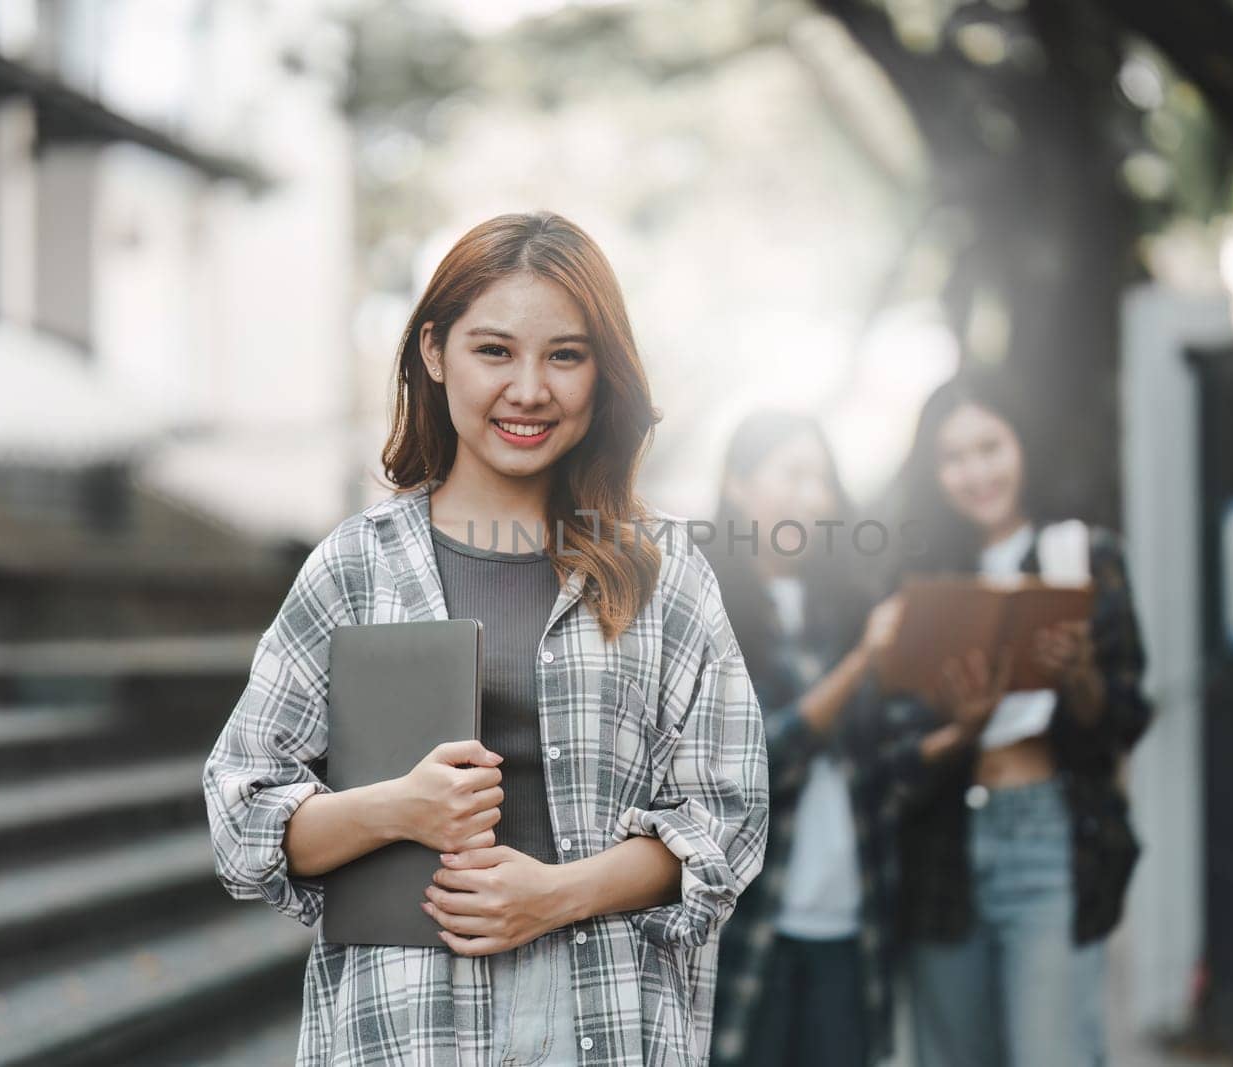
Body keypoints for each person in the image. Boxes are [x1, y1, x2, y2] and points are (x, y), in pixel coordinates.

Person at [201, 211, 770, 1066]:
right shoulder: (356, 567)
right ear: (435, 353)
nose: (530, 389)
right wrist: (394, 807)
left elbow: (727, 817)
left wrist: (554, 894)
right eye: (495, 350)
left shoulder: (663, 573)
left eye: (566, 355)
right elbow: (241, 814)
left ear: (601, 371)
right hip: (406, 1020)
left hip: (601, 1016)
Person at [886, 366, 1152, 1067]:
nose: (976, 472)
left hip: (1048, 834)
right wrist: (958, 728)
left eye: (991, 446)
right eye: (953, 457)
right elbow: (888, 741)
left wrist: (1082, 678)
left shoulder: (1085, 555)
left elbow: (1124, 716)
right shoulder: (918, 575)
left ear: (1023, 443)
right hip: (943, 846)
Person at [703, 411, 975, 1067]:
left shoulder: (853, 606)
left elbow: (886, 773)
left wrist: (965, 726)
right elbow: (750, 764)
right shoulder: (702, 608)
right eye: (791, 473)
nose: (810, 495)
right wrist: (860, 664)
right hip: (750, 928)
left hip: (853, 926)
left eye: (821, 479)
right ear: (738, 485)